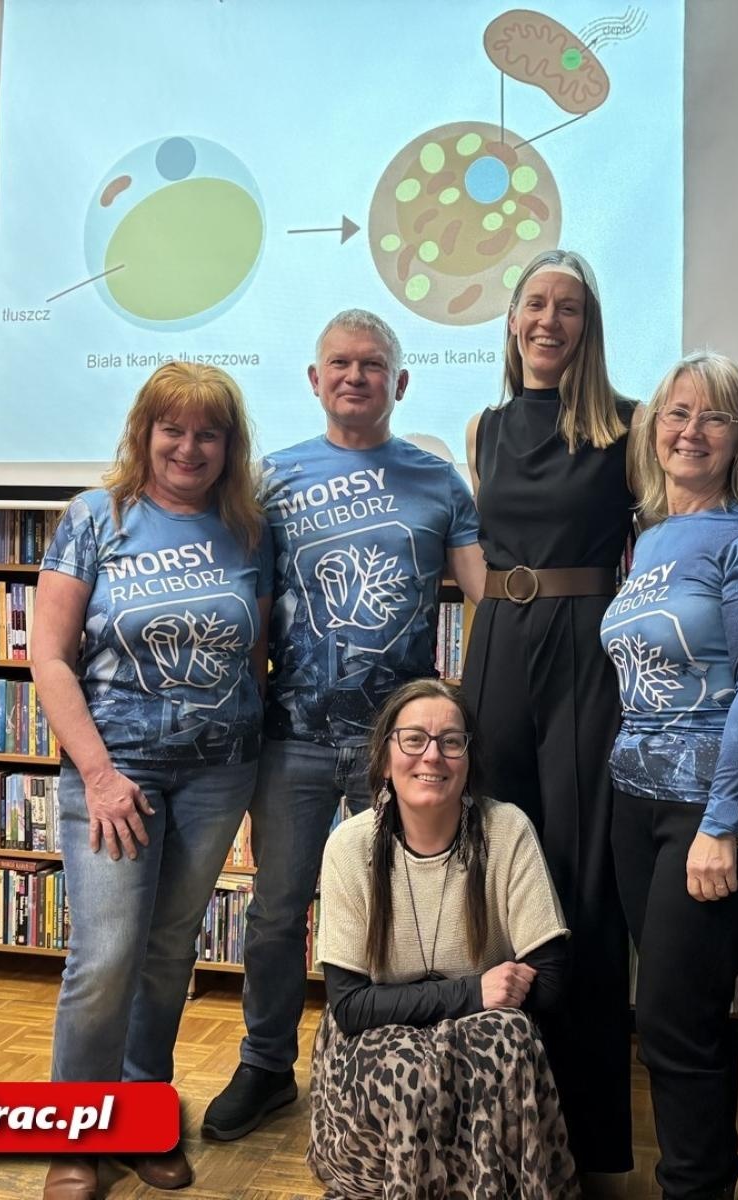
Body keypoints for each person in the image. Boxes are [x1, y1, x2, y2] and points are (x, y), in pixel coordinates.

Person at [201, 309, 486, 1141]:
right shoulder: (271, 479)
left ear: (401, 382)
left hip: (397, 750)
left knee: (406, 907)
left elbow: (489, 600)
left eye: (372, 365)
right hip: (290, 735)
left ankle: (395, 1067)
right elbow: (250, 610)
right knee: (276, 910)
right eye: (340, 363)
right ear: (315, 379)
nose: (355, 376)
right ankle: (266, 1066)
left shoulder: (441, 482)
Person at [31, 361, 273, 1200]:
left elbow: (254, 652)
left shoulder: (247, 529)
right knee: (106, 955)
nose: (189, 447)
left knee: (170, 950)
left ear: (229, 446)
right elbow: (49, 657)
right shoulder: (96, 518)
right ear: (145, 431)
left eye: (209, 433)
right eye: (173, 429)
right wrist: (98, 776)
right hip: (115, 773)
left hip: (218, 773)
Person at [462, 248, 637, 1186]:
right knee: (492, 868)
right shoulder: (483, 428)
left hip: (586, 650)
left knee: (581, 882)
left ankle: (592, 1138)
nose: (548, 320)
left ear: (588, 326)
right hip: (496, 645)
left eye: (568, 307)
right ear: (513, 319)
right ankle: (499, 1117)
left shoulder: (629, 427)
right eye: (535, 303)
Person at [602, 353, 738, 1200]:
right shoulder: (647, 540)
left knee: (679, 1019)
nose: (691, 431)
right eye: (676, 413)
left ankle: (697, 1188)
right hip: (633, 803)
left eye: (714, 416)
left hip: (704, 810)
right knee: (671, 1016)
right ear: (653, 430)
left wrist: (722, 822)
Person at [307, 678, 578, 1198]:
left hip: (477, 1032)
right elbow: (351, 1006)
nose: (432, 755)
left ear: (468, 760)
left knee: (506, 1039)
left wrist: (445, 1021)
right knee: (404, 1065)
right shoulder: (349, 846)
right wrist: (472, 992)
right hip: (379, 1039)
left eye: (451, 741)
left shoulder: (507, 830)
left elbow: (549, 980)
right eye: (414, 739)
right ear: (385, 758)